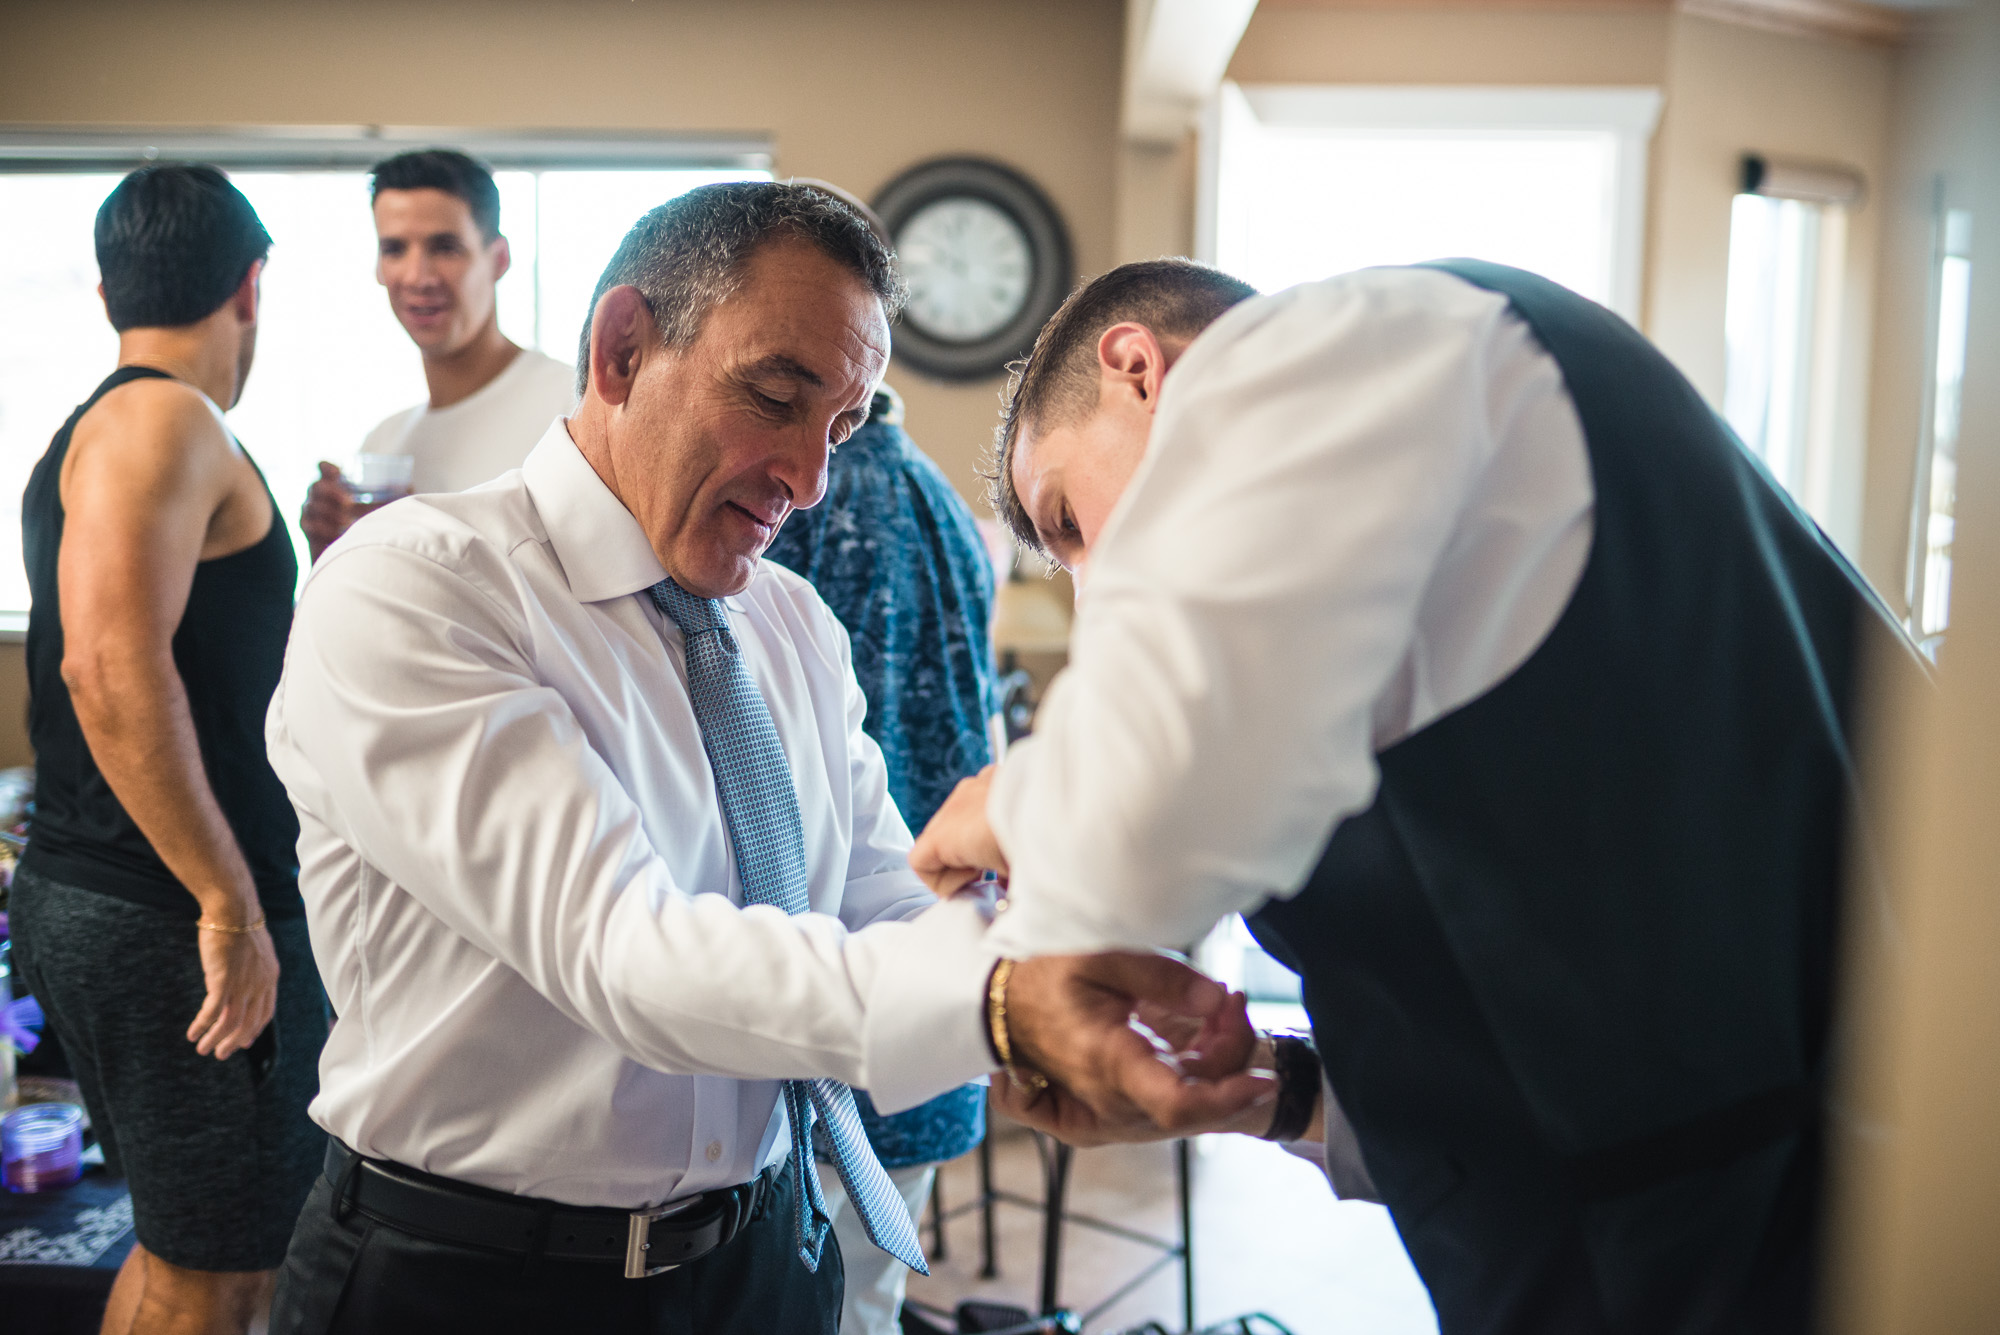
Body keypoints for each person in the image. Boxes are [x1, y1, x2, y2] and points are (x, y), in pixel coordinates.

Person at [263, 185, 1264, 1335]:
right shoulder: (420, 588)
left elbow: (878, 893)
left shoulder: (789, 623)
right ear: (622, 349)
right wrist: (993, 1004)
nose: (809, 473)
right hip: (469, 1279)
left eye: (838, 428)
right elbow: (619, 948)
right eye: (776, 396)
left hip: (762, 1262)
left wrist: (1073, 985)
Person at [911, 257, 1929, 1335]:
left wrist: (1011, 807)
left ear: (1136, 370)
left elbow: (1125, 857)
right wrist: (1277, 1092)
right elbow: (1512, 966)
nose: (1090, 586)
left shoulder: (1328, 354)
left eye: (1067, 519)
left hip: (1758, 1253)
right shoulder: (1358, 581)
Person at [10, 164, 327, 1335]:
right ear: (252, 286)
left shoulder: (113, 430)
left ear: (108, 293)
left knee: (196, 1248)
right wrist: (227, 905)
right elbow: (107, 665)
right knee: (223, 1273)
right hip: (168, 913)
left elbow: (209, 657)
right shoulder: (164, 418)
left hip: (129, 901)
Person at [764, 380, 997, 1335]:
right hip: (940, 962)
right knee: (867, 1302)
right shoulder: (940, 496)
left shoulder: (799, 517)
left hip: (850, 1007)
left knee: (832, 1307)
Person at [298, 148, 574, 560]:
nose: (417, 277)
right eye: (394, 249)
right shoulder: (384, 444)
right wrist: (331, 554)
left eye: (445, 247)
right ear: (377, 267)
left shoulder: (572, 408)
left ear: (498, 259)